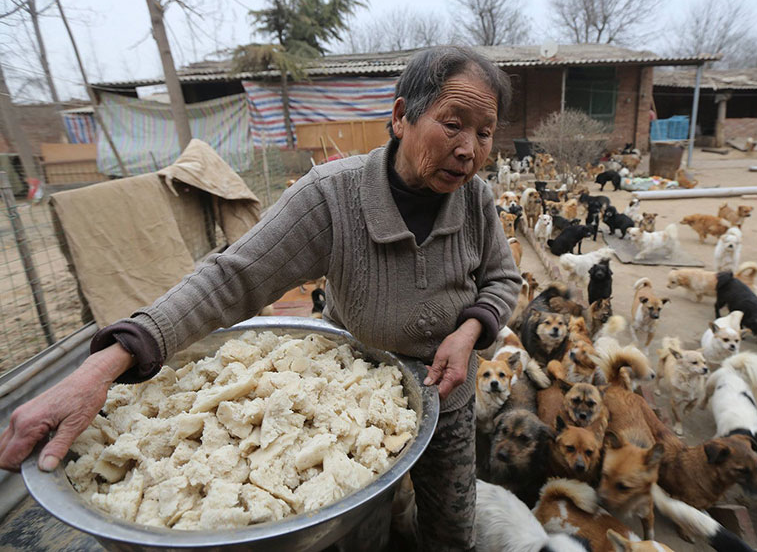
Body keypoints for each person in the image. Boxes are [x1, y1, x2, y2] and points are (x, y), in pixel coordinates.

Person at [0, 46, 521, 551]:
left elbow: (503, 281)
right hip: (353, 403)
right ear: (401, 116)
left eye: (485, 133)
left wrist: (469, 330)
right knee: (362, 525)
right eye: (453, 124)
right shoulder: (333, 197)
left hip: (448, 397)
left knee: (453, 530)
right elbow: (231, 278)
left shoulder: (476, 200)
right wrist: (102, 368)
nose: (469, 149)